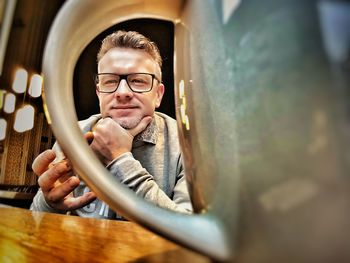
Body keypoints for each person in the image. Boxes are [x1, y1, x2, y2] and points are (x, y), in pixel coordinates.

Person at [30, 30, 192, 219]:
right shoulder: (73, 136)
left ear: (158, 95)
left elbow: (193, 233)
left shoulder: (188, 144)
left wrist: (121, 160)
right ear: (99, 94)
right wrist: (49, 203)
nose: (122, 92)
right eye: (110, 81)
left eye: (138, 80)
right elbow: (36, 219)